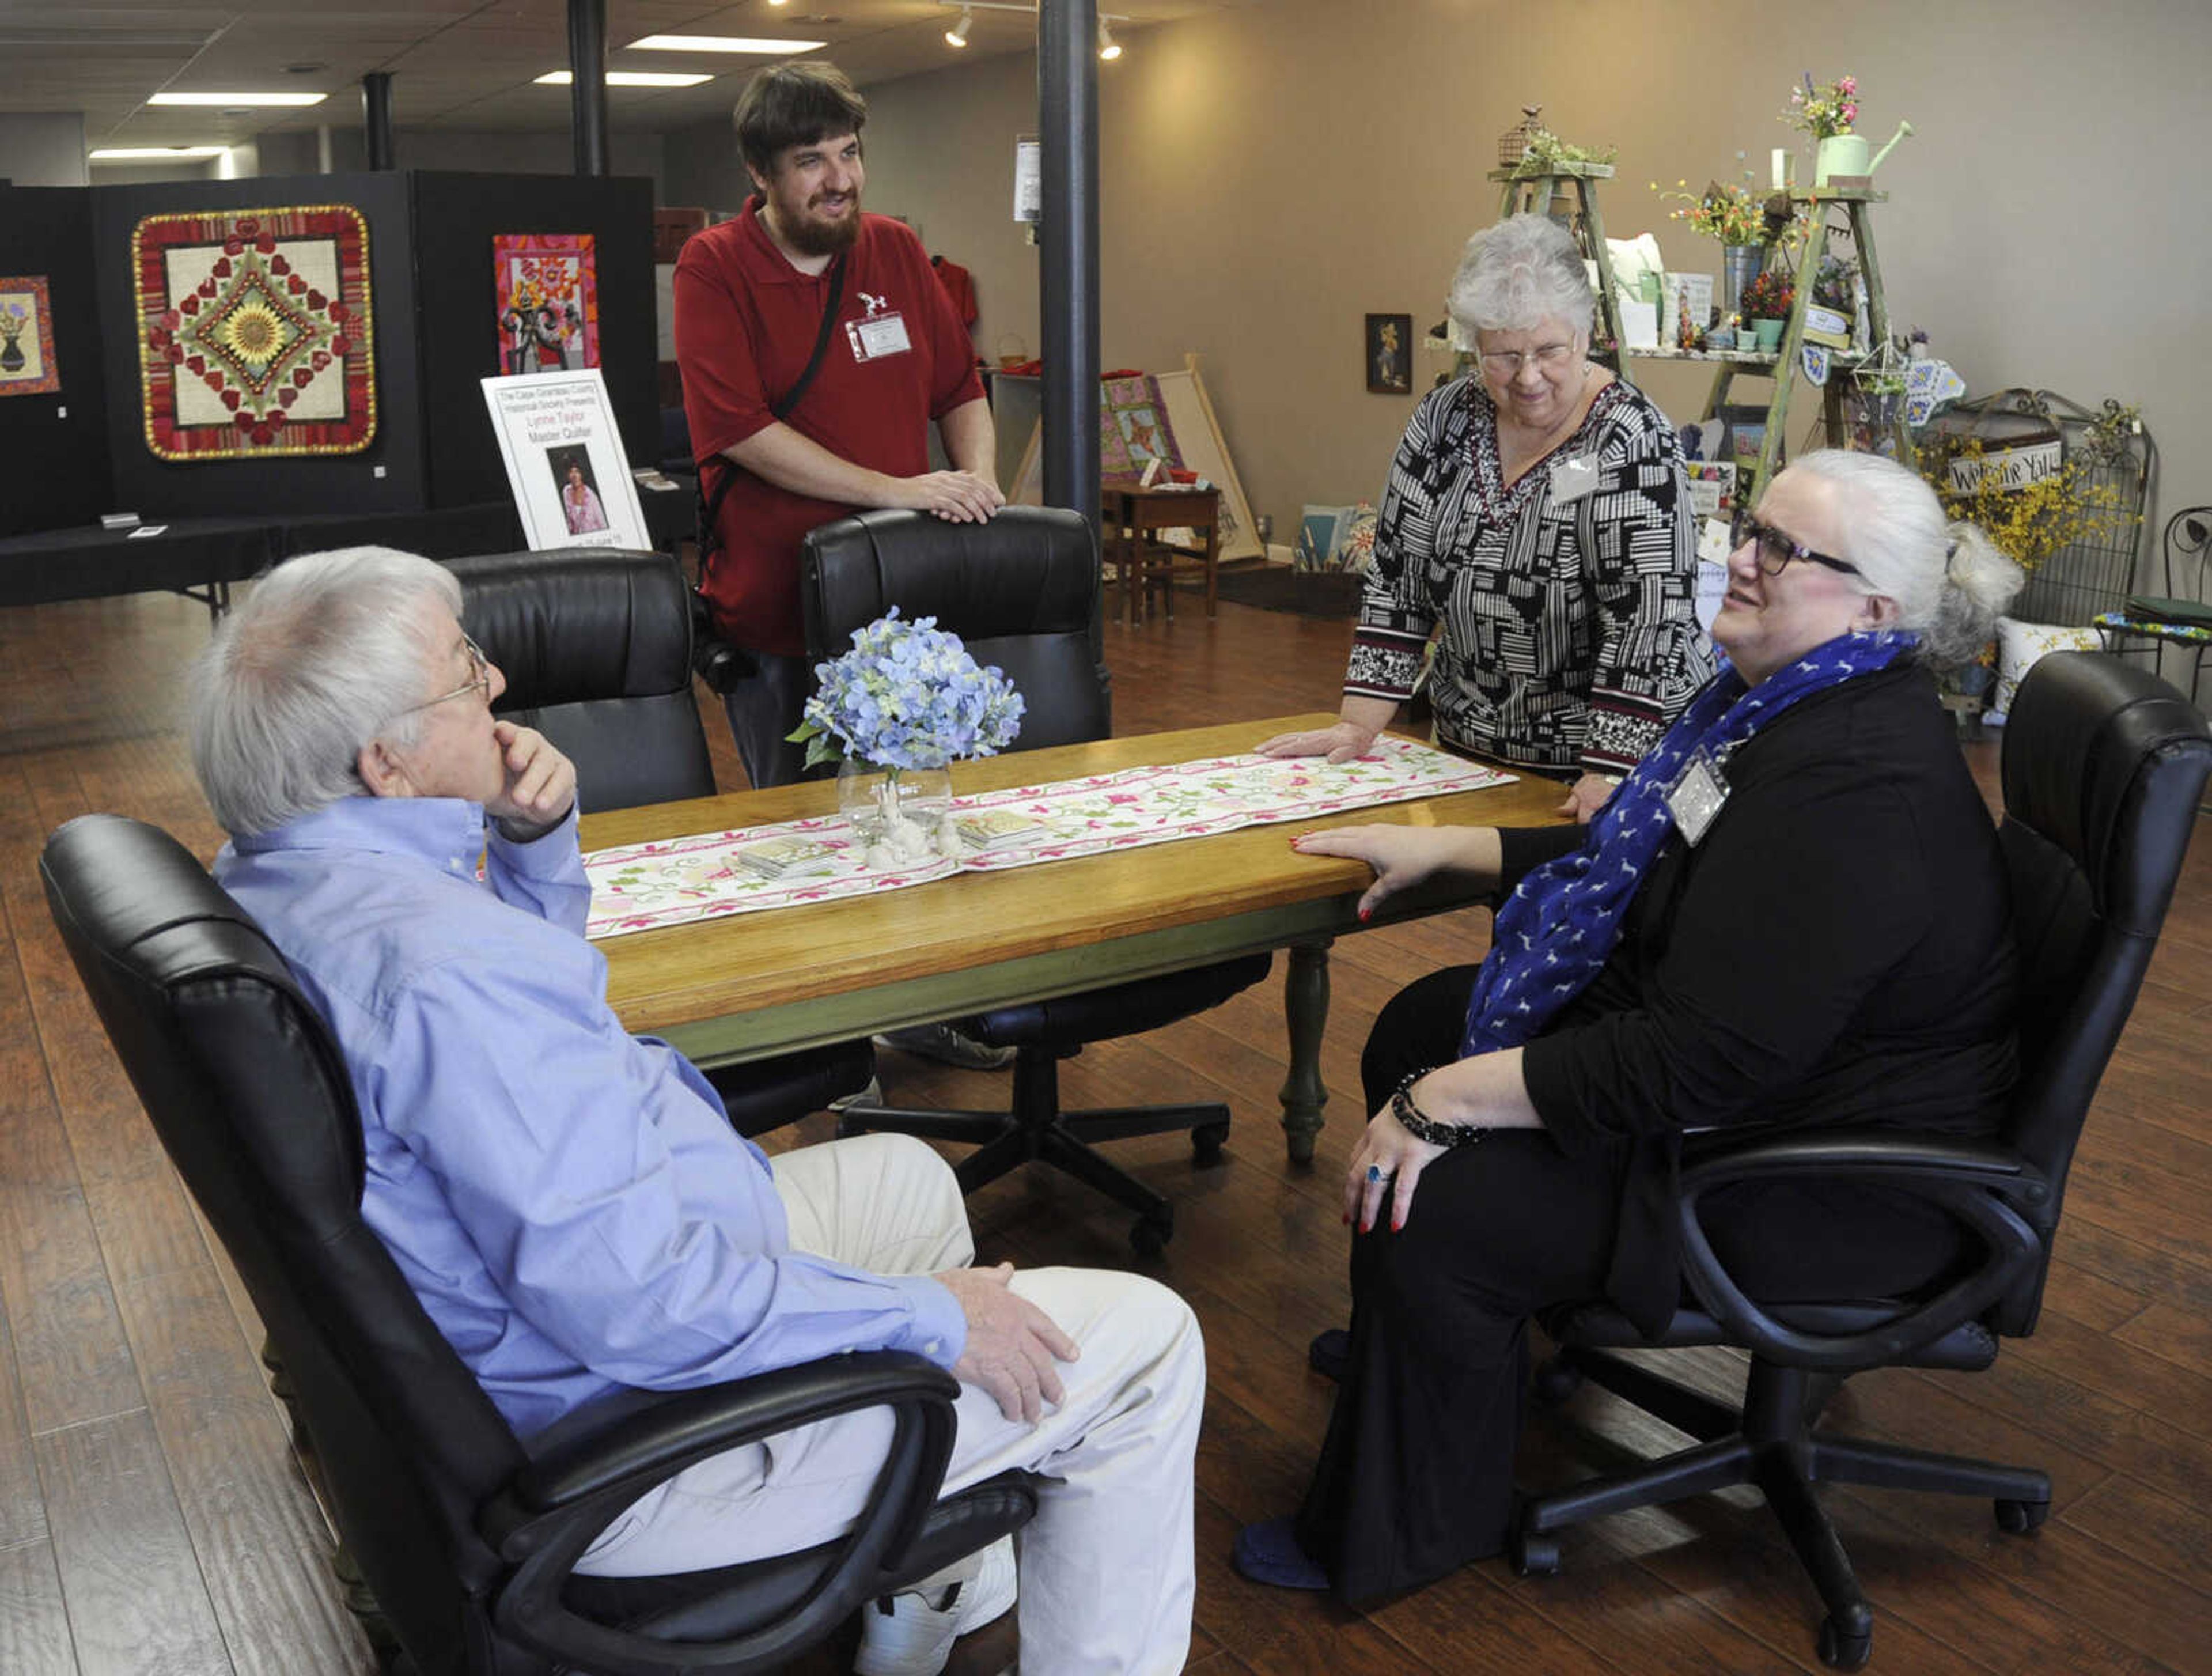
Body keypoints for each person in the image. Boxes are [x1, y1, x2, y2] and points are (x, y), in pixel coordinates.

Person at [188, 547, 1205, 1676]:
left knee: (910, 1183)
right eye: (463, 672)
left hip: (571, 1323)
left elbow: (516, 1085)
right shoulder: (446, 973)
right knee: (1151, 1342)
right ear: (386, 759)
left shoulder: (285, 869)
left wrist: (534, 844)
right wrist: (928, 1315)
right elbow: (642, 1303)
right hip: (640, 1442)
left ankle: (920, 1605)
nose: (498, 684)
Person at [1232, 451, 2024, 1606]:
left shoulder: (1855, 789)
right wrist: (1459, 847)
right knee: (1421, 1018)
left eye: (1784, 550)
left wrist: (1443, 1100)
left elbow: (1699, 1057)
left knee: (1442, 1193)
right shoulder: (1791, 707)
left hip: (1818, 1181)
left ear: (1875, 608)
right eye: (1751, 530)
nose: (1742, 561)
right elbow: (1651, 857)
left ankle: (1405, 1521)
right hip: (1750, 1085)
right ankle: (1433, 1361)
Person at [1259, 215, 1713, 824]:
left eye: (1550, 350)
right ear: (1474, 346)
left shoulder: (1632, 440)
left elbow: (1648, 618)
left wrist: (1612, 766)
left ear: (1585, 333)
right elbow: (1398, 578)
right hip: (1473, 752)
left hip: (1607, 766)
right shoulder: (1444, 419)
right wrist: (1358, 724)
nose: (1528, 377)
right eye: (1503, 356)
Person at [675, 60, 1001, 793]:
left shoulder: (895, 248)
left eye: (849, 153)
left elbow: (959, 388)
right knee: (806, 824)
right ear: (759, 172)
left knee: (921, 808)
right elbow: (742, 431)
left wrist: (976, 482)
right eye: (810, 161)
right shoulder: (713, 265)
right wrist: (902, 490)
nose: (840, 179)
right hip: (781, 612)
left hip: (905, 605)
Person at [559, 461, 608, 535]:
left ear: (581, 474)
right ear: (568, 475)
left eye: (577, 472)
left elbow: (602, 522)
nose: (574, 475)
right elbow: (569, 519)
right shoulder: (566, 491)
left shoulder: (591, 496)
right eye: (571, 472)